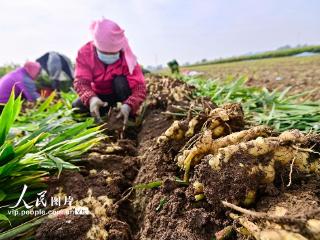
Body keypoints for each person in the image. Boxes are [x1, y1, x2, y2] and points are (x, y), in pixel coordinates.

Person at [72, 18, 146, 124]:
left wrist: (129, 105)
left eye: (113, 53)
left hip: (119, 95)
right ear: (96, 46)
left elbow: (140, 87)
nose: (109, 56)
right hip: (98, 95)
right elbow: (81, 82)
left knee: (120, 81)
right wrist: (91, 99)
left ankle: (127, 116)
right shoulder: (85, 53)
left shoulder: (127, 56)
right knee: (76, 107)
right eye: (104, 53)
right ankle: (101, 112)